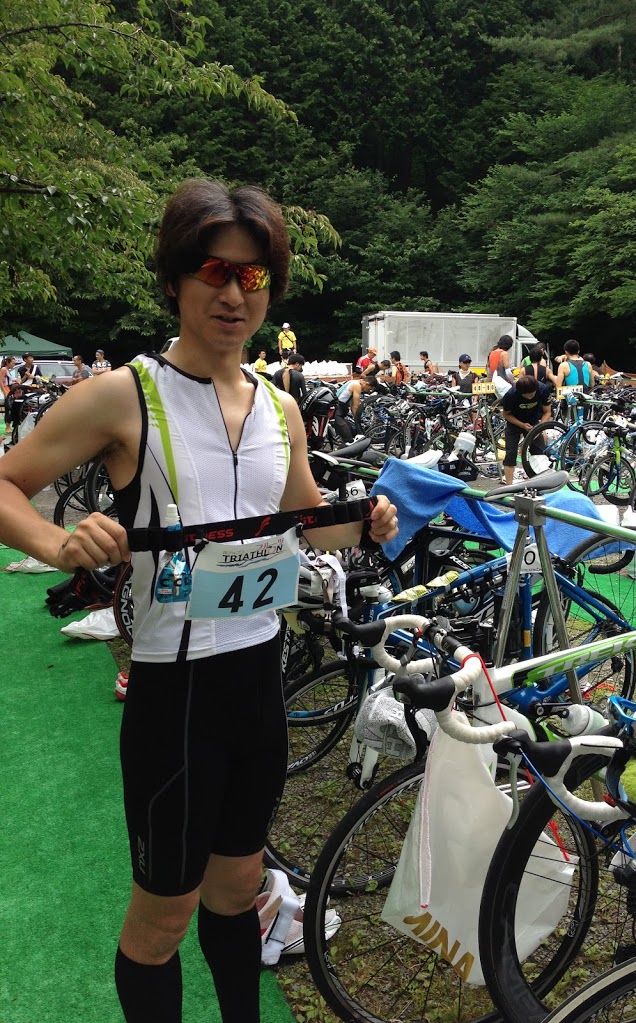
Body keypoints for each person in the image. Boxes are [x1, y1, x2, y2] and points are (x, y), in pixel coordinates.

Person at [0, 178, 397, 1023]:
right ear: (176, 278)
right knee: (162, 917)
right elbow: (6, 485)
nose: (232, 294)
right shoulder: (124, 394)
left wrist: (363, 524)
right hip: (173, 697)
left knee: (239, 887)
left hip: (258, 682)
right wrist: (57, 543)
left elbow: (304, 522)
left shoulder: (280, 406)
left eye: (252, 278)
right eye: (214, 271)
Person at [501, 374, 552, 482]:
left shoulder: (542, 389)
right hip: (514, 422)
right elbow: (506, 414)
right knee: (511, 454)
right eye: (526, 396)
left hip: (534, 421)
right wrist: (522, 425)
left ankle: (539, 483)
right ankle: (509, 486)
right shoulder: (510, 395)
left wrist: (540, 426)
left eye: (532, 395)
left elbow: (547, 412)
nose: (529, 398)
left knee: (538, 452)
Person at [334, 374, 382, 442]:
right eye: (369, 389)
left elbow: (352, 406)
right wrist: (358, 421)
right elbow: (355, 407)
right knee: (348, 437)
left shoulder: (354, 381)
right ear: (366, 384)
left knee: (352, 431)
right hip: (338, 409)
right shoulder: (357, 386)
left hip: (339, 407)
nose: (369, 391)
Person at [1, 355, 16, 433]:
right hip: (6, 389)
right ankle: (7, 427)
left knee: (9, 408)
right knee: (9, 408)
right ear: (8, 362)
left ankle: (8, 426)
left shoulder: (7, 370)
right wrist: (4, 392)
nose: (13, 365)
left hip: (9, 389)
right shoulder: (4, 369)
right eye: (12, 363)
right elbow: (0, 381)